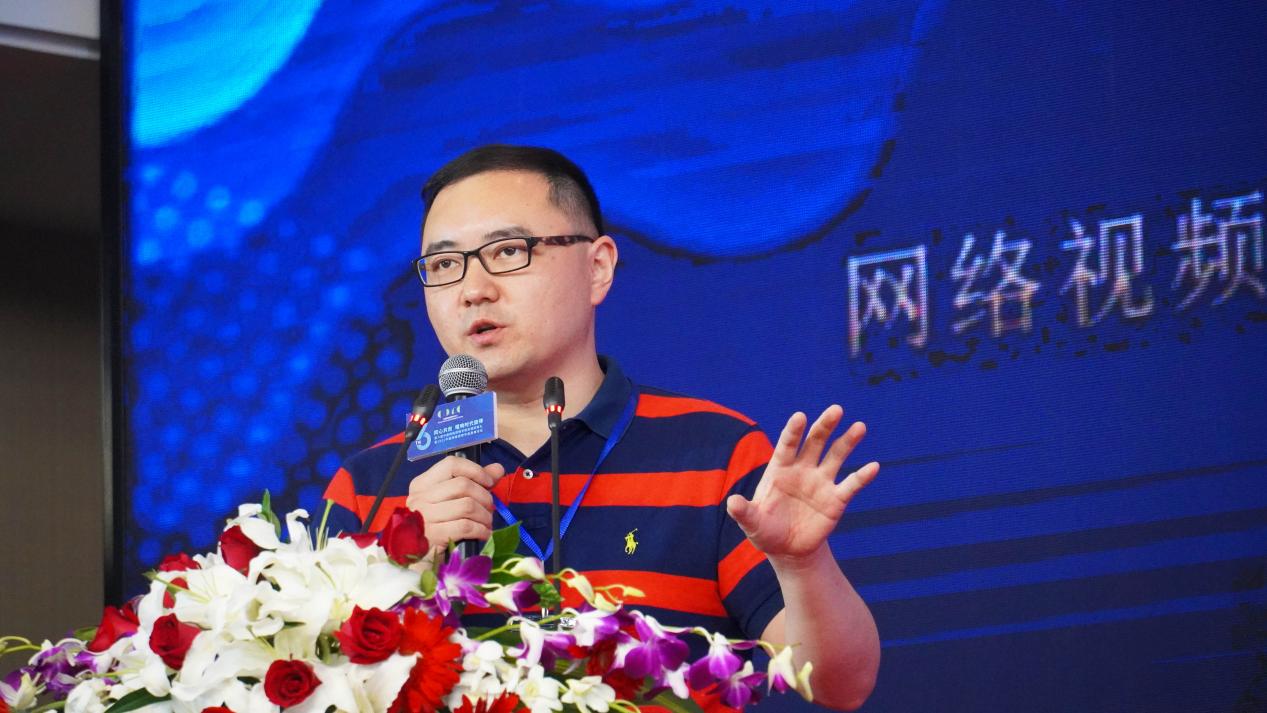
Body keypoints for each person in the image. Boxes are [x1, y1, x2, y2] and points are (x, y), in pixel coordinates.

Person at [325, 145, 880, 710]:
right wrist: (400, 569)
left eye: (508, 251)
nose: (473, 290)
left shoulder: (713, 453)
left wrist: (801, 566)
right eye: (445, 265)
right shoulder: (371, 487)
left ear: (598, 268)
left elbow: (840, 684)